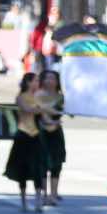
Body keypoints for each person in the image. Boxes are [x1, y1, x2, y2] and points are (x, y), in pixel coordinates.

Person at [3, 71, 47, 211]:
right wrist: (42, 108)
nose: (37, 83)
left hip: (36, 135)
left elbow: (44, 118)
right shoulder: (21, 97)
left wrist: (53, 120)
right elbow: (27, 109)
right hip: (23, 134)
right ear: (28, 82)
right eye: (35, 80)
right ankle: (23, 202)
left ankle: (38, 201)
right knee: (22, 167)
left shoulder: (39, 98)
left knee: (38, 167)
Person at [38, 68, 68, 207]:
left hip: (57, 132)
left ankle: (54, 193)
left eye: (53, 78)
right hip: (43, 132)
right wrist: (51, 121)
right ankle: (44, 195)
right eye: (47, 78)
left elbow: (67, 111)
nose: (50, 81)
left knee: (57, 162)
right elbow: (41, 112)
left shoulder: (61, 97)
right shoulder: (38, 95)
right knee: (43, 162)